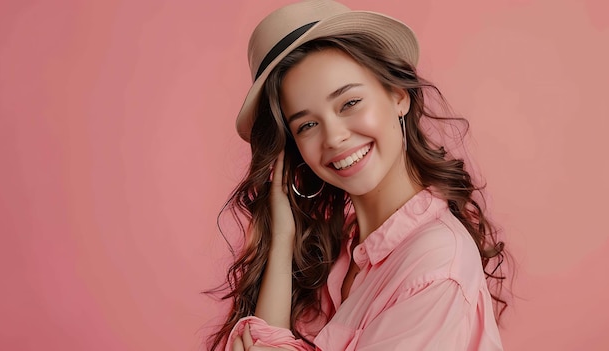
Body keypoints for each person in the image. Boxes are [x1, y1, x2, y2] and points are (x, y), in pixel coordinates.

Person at [208, 1, 510, 350]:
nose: (334, 136)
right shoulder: (343, 251)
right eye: (307, 125)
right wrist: (281, 240)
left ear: (398, 95)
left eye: (349, 103)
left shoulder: (435, 265)